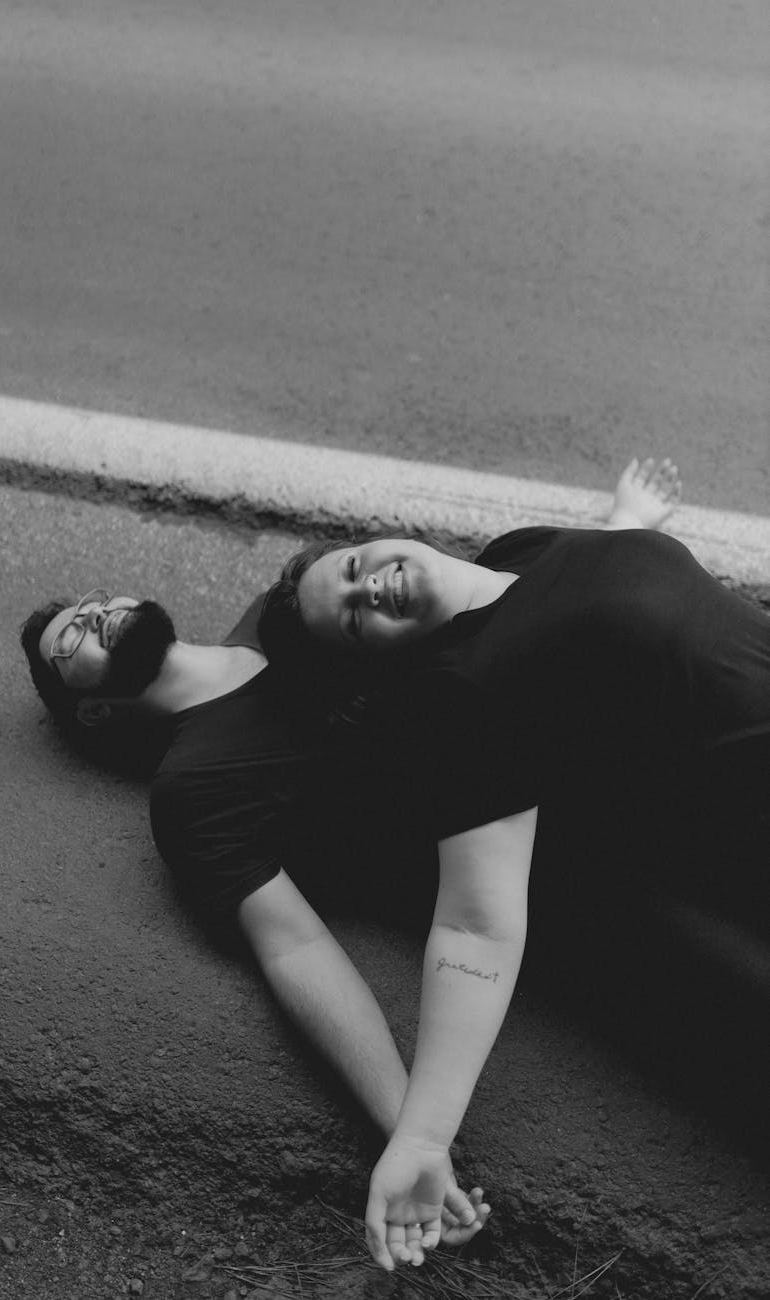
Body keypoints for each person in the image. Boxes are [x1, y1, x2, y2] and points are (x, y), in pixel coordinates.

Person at [258, 458, 770, 1271]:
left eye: (351, 568)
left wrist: (625, 520)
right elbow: (476, 924)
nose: (370, 588)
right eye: (353, 619)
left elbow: (585, 596)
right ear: (372, 663)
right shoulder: (462, 701)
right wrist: (422, 1136)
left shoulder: (515, 554)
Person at [20, 586, 490, 1260]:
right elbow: (296, 947)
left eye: (95, 600)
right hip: (517, 870)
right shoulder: (193, 792)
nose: (95, 615)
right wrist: (413, 1135)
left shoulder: (289, 612)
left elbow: (447, 605)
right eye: (71, 641)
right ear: (92, 710)